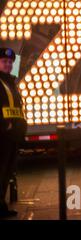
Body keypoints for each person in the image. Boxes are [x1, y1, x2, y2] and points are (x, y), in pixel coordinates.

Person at [0, 48, 27, 218]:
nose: (8, 64)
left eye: (10, 62)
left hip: (12, 136)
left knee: (6, 172)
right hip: (2, 136)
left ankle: (1, 206)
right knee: (1, 171)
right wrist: (5, 126)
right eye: (4, 61)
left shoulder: (10, 82)